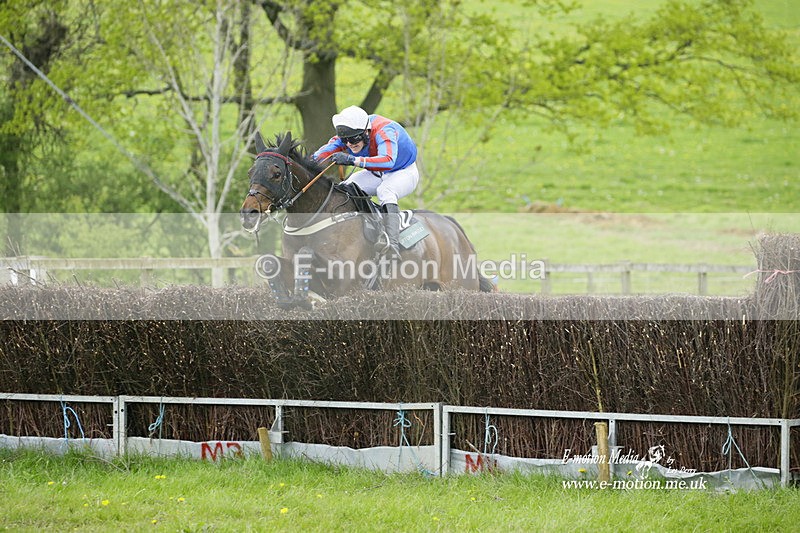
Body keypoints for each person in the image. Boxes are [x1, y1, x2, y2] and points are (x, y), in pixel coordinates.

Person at [313, 105, 419, 258]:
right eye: (345, 140)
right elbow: (319, 155)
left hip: (403, 172)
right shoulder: (348, 135)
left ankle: (393, 245)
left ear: (366, 131)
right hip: (376, 172)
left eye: (354, 139)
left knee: (386, 191)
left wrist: (352, 160)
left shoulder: (384, 130)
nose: (350, 144)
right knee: (344, 189)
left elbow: (388, 160)